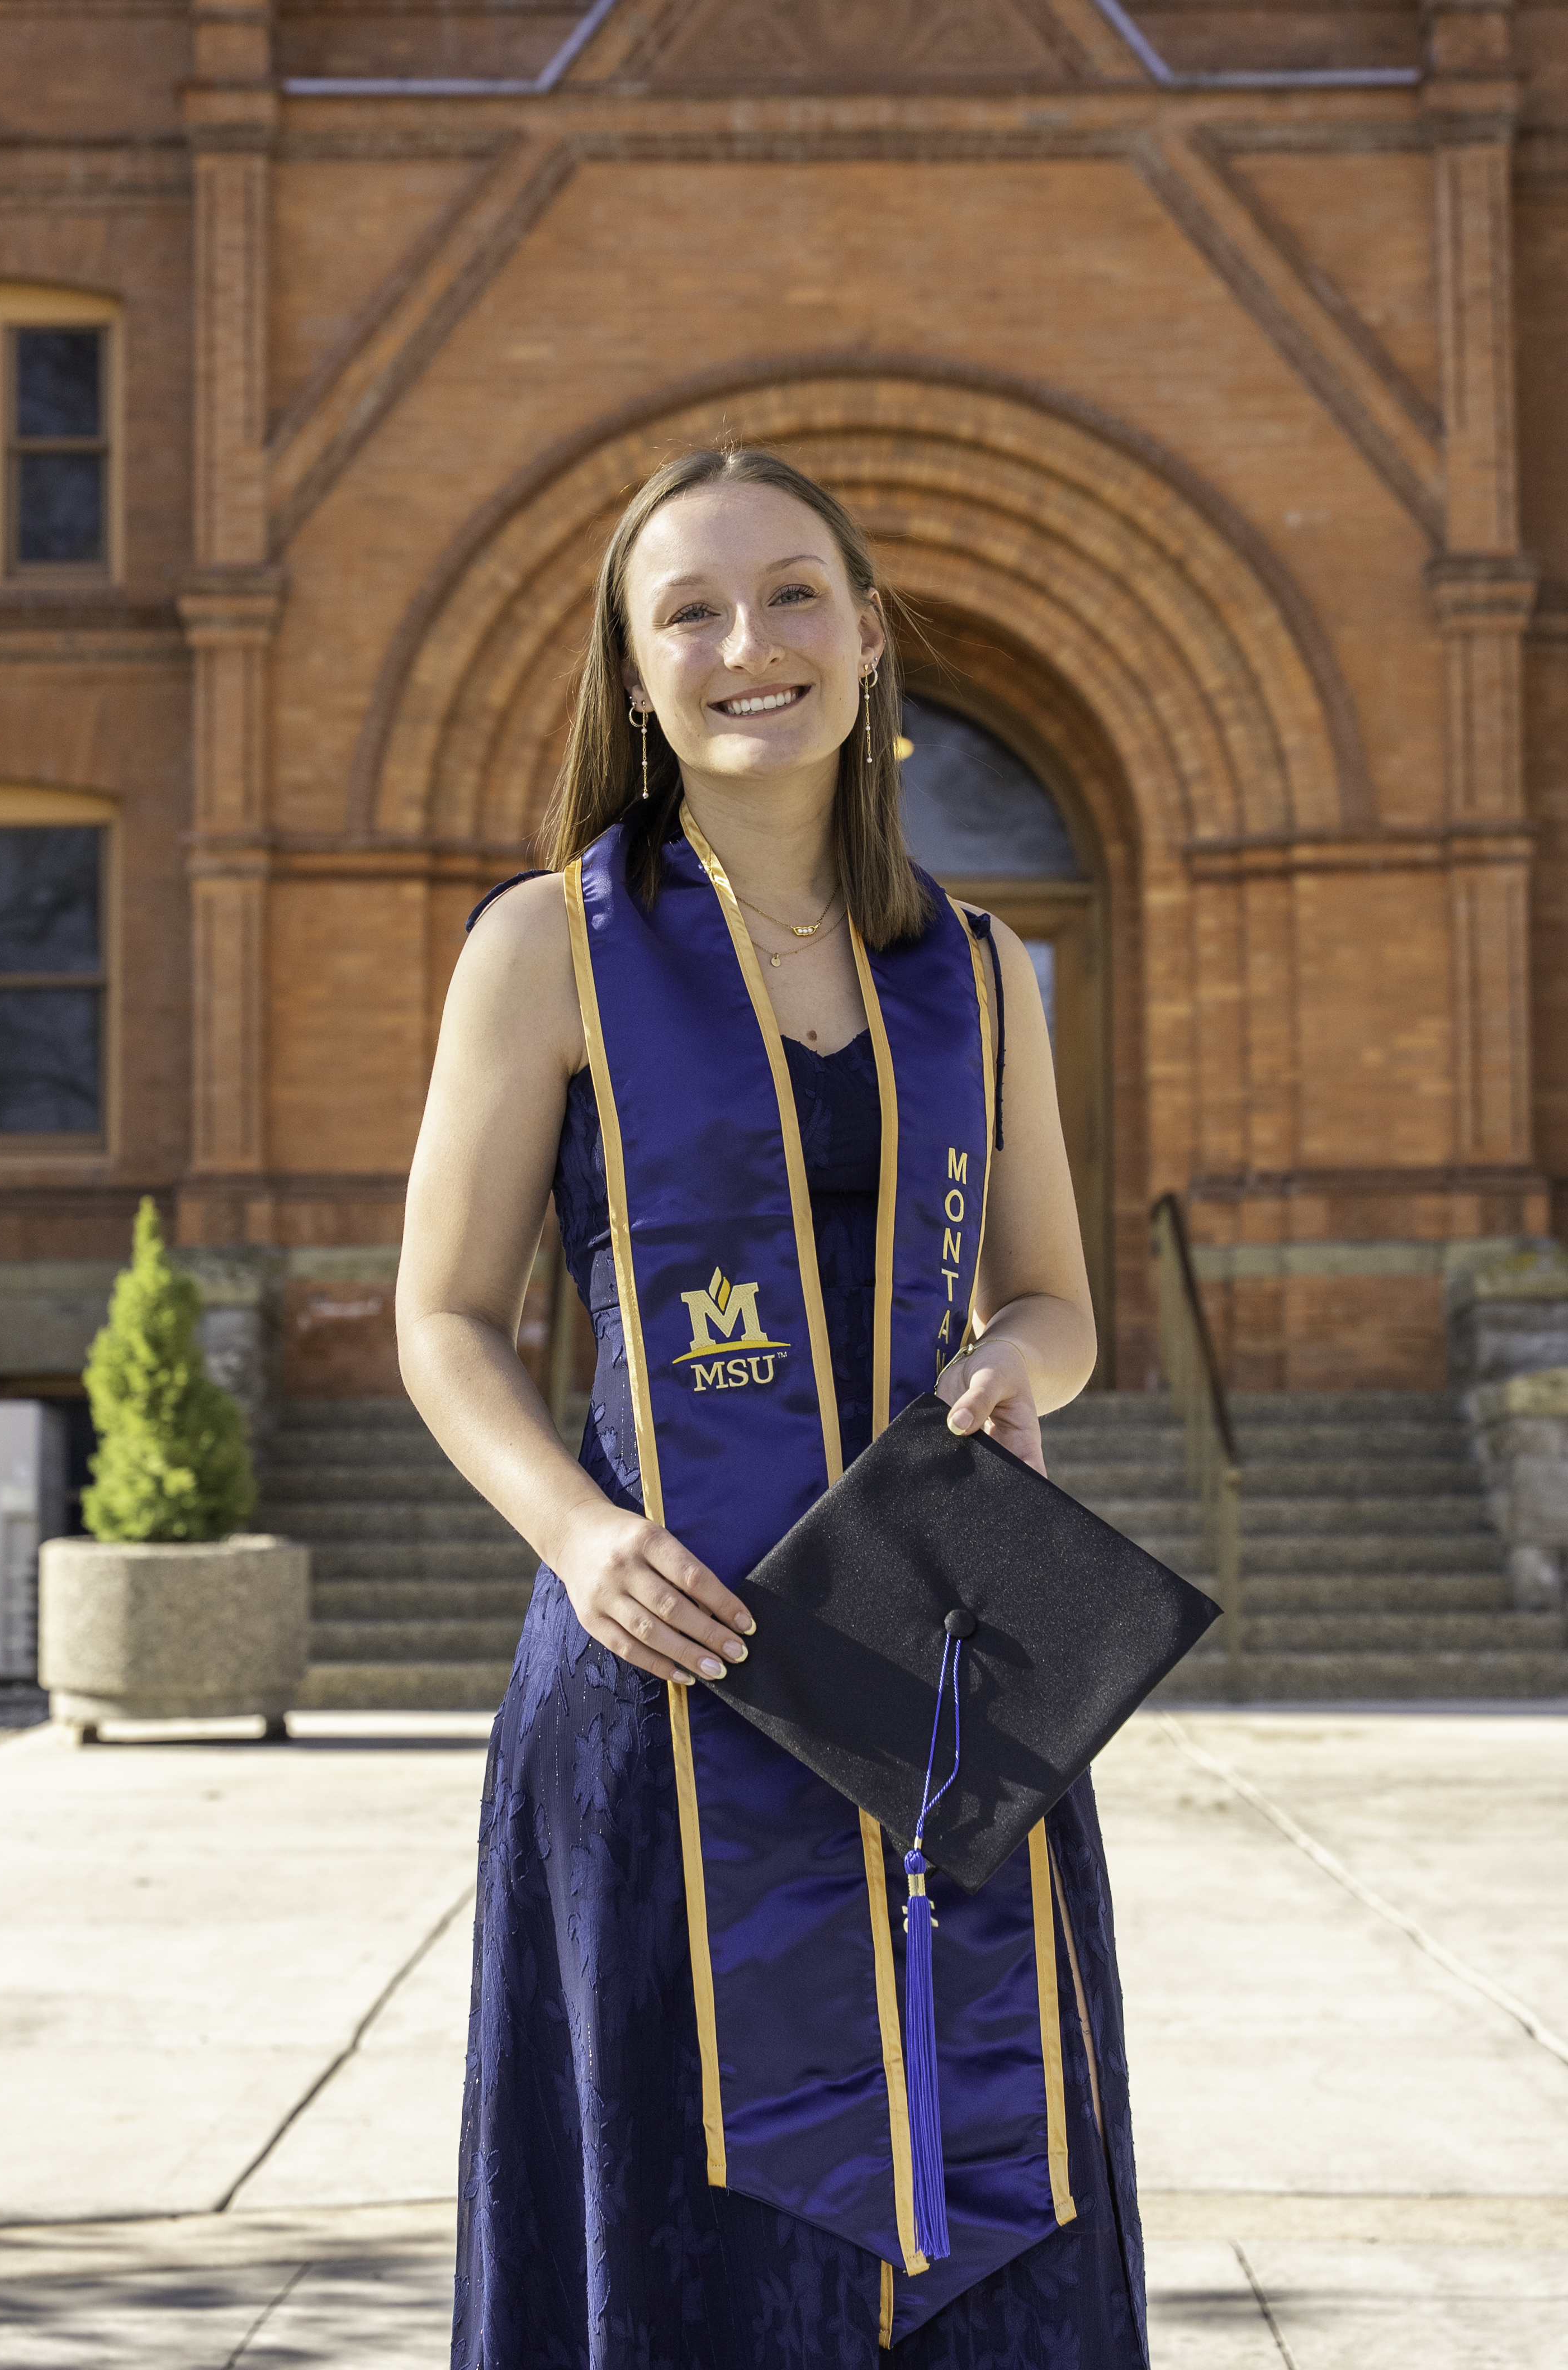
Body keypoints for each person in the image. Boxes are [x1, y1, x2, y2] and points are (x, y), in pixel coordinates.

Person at [396, 447, 1149, 2368]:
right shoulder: (546, 947)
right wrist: (578, 1538)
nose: (754, 644)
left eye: (797, 593)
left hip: (936, 1671)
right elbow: (445, 1320)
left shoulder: (978, 973)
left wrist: (1015, 1366)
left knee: (986, 2198)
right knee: (685, 2221)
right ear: (634, 673)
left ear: (872, 636)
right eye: (694, 610)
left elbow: (1060, 1303)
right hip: (663, 1671)